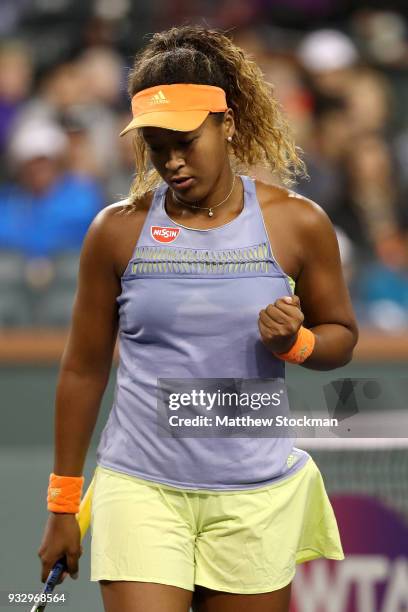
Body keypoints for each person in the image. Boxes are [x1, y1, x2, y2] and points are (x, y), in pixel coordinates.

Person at [37, 26, 359, 612]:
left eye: (185, 140)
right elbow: (83, 369)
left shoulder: (298, 225)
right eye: (157, 145)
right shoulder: (116, 231)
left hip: (257, 497)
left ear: (227, 124)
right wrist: (62, 503)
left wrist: (297, 341)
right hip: (140, 489)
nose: (172, 161)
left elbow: (342, 339)